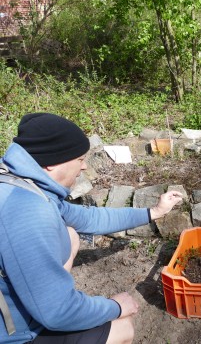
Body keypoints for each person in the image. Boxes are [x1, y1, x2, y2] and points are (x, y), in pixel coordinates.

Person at [0, 113, 184, 344]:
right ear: (52, 162)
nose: (85, 166)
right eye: (79, 159)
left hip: (14, 310)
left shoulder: (20, 183)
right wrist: (115, 306)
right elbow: (58, 313)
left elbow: (91, 218)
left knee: (71, 234)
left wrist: (153, 212)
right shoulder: (28, 212)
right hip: (14, 334)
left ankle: (49, 288)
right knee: (123, 328)